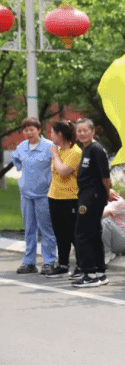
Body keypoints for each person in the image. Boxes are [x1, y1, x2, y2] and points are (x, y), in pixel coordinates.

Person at [11, 118, 57, 275]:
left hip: (44, 194)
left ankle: (49, 262)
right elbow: (16, 160)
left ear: (39, 129)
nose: (28, 133)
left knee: (46, 229)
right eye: (25, 130)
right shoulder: (21, 147)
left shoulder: (50, 147)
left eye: (31, 129)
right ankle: (29, 262)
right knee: (29, 229)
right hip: (26, 195)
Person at [72, 118, 114, 288]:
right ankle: (99, 272)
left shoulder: (96, 149)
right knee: (94, 233)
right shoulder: (86, 148)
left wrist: (108, 191)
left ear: (93, 131)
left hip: (92, 197)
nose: (82, 133)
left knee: (82, 234)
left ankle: (89, 274)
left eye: (85, 130)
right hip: (87, 195)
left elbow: (105, 176)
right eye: (79, 131)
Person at [46, 120, 82, 278]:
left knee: (73, 233)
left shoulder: (75, 151)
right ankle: (63, 264)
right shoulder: (59, 150)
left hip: (70, 198)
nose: (51, 136)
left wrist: (54, 155)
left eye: (52, 133)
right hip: (54, 197)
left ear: (60, 134)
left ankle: (82, 265)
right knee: (60, 233)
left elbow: (63, 171)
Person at [102, 191, 125, 264]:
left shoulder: (118, 202)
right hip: (118, 239)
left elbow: (102, 213)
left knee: (106, 222)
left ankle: (106, 253)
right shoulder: (109, 203)